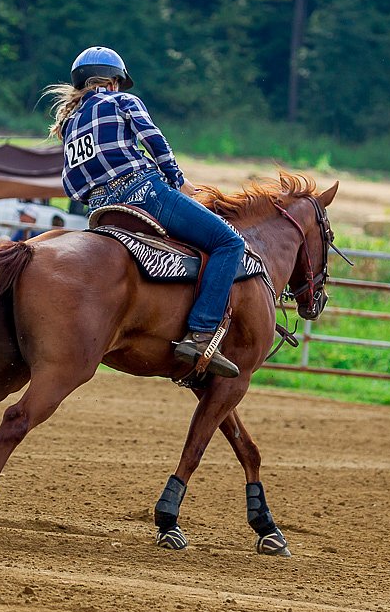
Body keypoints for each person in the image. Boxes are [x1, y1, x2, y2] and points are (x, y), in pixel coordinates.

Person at [44, 46, 245, 378]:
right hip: (144, 193)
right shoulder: (122, 102)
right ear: (112, 81)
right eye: (120, 82)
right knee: (229, 243)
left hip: (101, 210)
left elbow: (71, 184)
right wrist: (178, 182)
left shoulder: (68, 123)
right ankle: (201, 333)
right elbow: (155, 141)